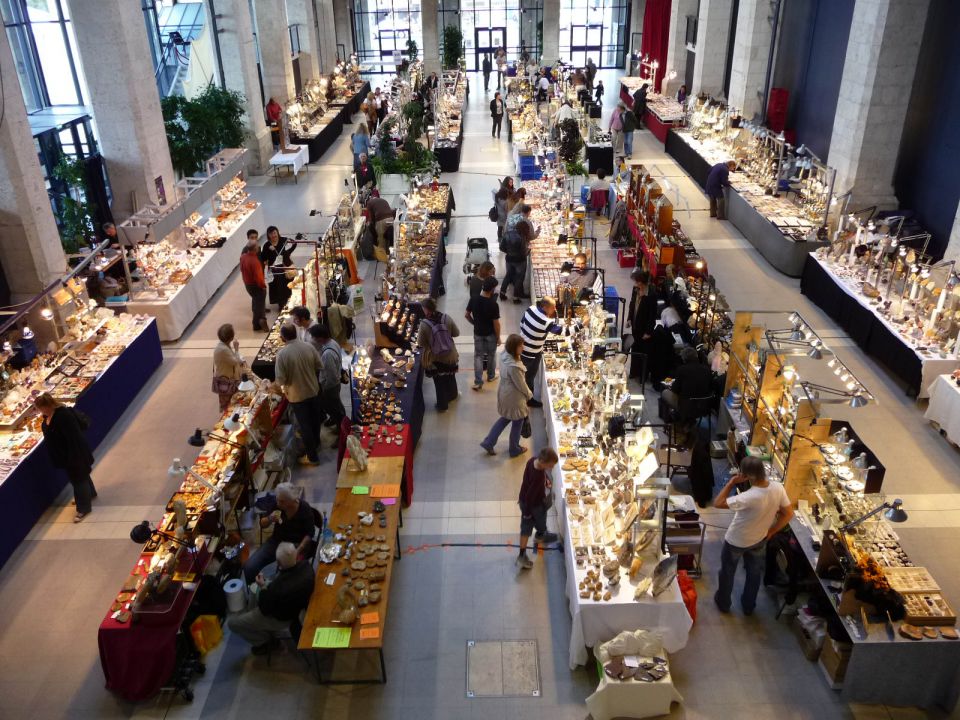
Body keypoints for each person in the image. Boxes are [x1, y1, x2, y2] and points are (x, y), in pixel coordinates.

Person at [713, 457, 794, 614]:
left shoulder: (749, 497)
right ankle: (748, 606)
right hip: (759, 539)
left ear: (745, 475)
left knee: (727, 572)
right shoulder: (778, 488)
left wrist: (731, 483)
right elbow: (788, 513)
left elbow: (718, 502)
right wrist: (771, 531)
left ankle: (723, 603)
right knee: (754, 574)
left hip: (736, 540)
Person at [229, 541, 315, 655]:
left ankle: (265, 641)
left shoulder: (278, 587)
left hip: (281, 618)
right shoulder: (307, 567)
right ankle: (254, 624)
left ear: (278, 563)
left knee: (233, 624)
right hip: (296, 608)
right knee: (254, 590)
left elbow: (265, 608)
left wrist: (263, 586)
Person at [35, 393, 96, 523]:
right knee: (82, 475)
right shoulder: (49, 416)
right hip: (67, 455)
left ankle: (83, 508)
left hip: (74, 454)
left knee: (78, 479)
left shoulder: (63, 416)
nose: (40, 411)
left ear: (47, 405)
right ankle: (90, 494)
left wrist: (73, 458)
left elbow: (73, 438)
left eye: (40, 408)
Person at [243, 481, 317, 582]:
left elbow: (309, 534)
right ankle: (253, 590)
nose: (278, 503)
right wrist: (269, 518)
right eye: (278, 500)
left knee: (282, 579)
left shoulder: (304, 509)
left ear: (292, 501)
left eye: (282, 501)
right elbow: (262, 524)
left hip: (296, 544)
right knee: (249, 567)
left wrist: (298, 550)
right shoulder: (277, 504)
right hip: (276, 541)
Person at [274, 324, 324, 465]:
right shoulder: (309, 347)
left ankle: (312, 457)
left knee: (304, 426)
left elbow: (280, 380)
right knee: (315, 420)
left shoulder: (282, 355)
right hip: (313, 390)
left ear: (283, 337)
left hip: (297, 396)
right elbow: (319, 365)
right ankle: (317, 443)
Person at [520, 297, 577, 408]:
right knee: (529, 377)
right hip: (531, 353)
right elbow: (565, 332)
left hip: (525, 348)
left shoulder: (530, 309)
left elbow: (522, 324)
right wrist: (581, 324)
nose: (555, 309)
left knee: (527, 376)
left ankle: (527, 398)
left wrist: (528, 336)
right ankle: (527, 400)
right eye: (553, 307)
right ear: (545, 307)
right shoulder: (546, 322)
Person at [480, 334, 531, 457]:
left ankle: (489, 442)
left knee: (504, 419)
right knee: (517, 423)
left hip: (504, 393)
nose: (523, 348)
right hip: (514, 398)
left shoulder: (504, 356)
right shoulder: (514, 367)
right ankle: (514, 449)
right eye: (521, 346)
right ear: (514, 348)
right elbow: (521, 385)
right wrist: (529, 394)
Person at [515, 447, 560, 568]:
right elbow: (530, 496)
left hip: (533, 502)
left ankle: (540, 535)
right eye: (551, 465)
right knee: (526, 529)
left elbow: (527, 483)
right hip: (531, 506)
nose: (552, 468)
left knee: (541, 520)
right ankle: (522, 556)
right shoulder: (538, 476)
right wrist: (527, 513)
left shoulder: (533, 460)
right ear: (544, 463)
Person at [417, 298, 461, 412]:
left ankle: (442, 405)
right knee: (451, 376)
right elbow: (456, 333)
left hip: (436, 358)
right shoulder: (446, 318)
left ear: (426, 310)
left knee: (439, 382)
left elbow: (421, 343)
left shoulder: (424, 324)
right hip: (451, 355)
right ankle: (453, 395)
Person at [466, 276, 501, 390]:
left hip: (478, 332)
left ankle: (478, 381)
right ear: (492, 289)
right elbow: (496, 324)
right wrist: (498, 337)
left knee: (478, 356)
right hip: (490, 334)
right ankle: (491, 376)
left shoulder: (474, 299)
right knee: (491, 355)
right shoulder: (493, 304)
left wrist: (474, 323)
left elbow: (467, 315)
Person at [309, 323, 346, 430]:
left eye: (314, 337)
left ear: (320, 338)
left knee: (335, 408)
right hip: (334, 384)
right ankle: (337, 421)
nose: (313, 339)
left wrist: (325, 388)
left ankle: (341, 431)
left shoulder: (327, 354)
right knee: (337, 406)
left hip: (331, 386)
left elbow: (331, 376)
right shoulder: (333, 342)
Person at [501, 204, 537, 304]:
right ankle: (516, 298)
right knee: (519, 278)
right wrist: (527, 251)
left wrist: (508, 252)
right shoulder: (522, 238)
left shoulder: (508, 234)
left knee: (508, 276)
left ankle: (502, 293)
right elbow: (523, 251)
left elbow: (501, 247)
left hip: (509, 259)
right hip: (520, 261)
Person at [662, 346, 713, 412]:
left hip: (686, 405)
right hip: (703, 406)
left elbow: (675, 389)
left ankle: (673, 415)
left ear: (684, 359)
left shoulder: (682, 369)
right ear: (696, 356)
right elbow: (710, 387)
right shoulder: (707, 369)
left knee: (665, 392)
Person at [627, 269, 657, 380]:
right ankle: (633, 372)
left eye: (636, 281)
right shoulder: (635, 289)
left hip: (644, 329)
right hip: (635, 326)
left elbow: (652, 315)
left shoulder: (651, 295)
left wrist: (648, 332)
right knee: (635, 349)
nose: (635, 284)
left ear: (641, 282)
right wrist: (629, 318)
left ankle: (642, 376)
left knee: (643, 352)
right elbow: (631, 304)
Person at [261, 226, 294, 311]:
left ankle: (287, 299)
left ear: (277, 232)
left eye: (274, 233)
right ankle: (281, 304)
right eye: (271, 234)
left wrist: (287, 253)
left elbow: (294, 243)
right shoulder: (267, 245)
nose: (273, 235)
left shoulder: (283, 240)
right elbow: (263, 258)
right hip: (274, 268)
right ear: (268, 235)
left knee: (287, 282)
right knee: (277, 286)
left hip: (284, 266)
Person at [213, 323, 245, 412]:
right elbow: (235, 361)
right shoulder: (223, 349)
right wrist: (236, 348)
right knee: (229, 403)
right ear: (231, 337)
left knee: (229, 401)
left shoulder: (222, 345)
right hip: (227, 380)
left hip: (226, 377)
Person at [240, 239, 269, 332]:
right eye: (257, 246)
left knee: (256, 301)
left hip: (247, 284)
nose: (258, 247)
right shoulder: (255, 261)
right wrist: (263, 286)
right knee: (259, 306)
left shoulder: (243, 257)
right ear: (254, 249)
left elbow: (241, 269)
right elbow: (259, 277)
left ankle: (258, 320)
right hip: (256, 285)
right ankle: (257, 324)